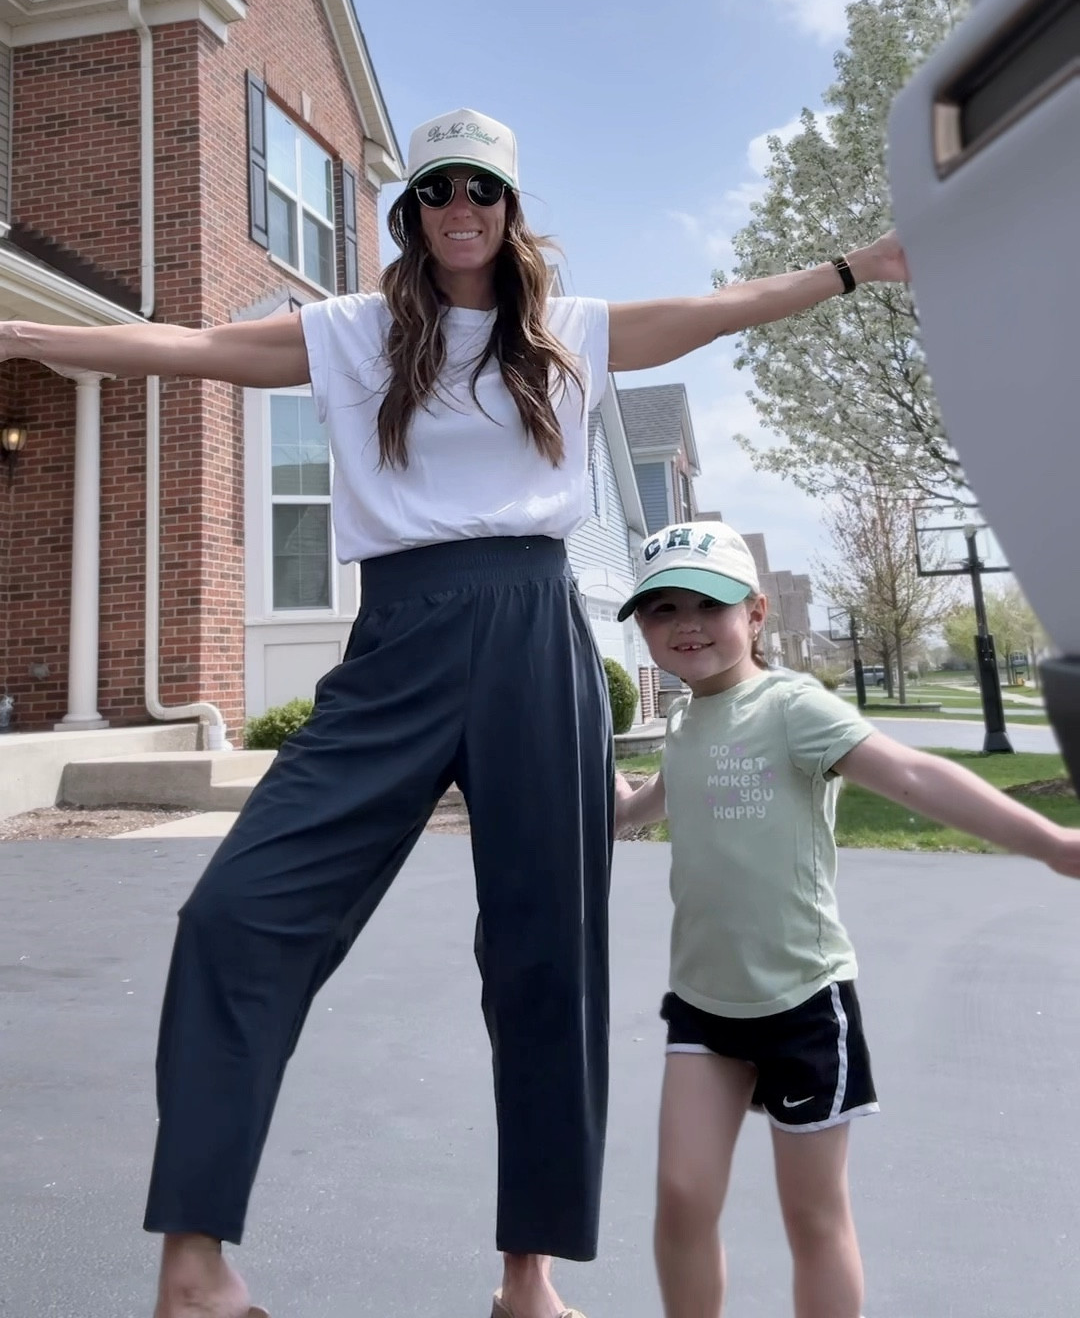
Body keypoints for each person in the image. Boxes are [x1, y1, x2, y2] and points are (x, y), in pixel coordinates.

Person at [1, 107, 906, 1318]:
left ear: (509, 206)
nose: (461, 207)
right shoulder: (352, 335)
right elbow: (194, 349)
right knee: (236, 914)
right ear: (410, 213)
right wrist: (18, 328)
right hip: (401, 640)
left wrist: (854, 268)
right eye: (438, 191)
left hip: (537, 638)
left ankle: (526, 1278)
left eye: (481, 187)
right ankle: (195, 1266)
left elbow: (717, 309)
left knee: (545, 962)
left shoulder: (567, 335)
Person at [614, 520, 1080, 1318]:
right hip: (704, 1002)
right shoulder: (686, 723)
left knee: (814, 1218)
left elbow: (910, 775)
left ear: (756, 614)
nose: (684, 623)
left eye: (708, 603)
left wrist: (1048, 841)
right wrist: (621, 812)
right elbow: (662, 802)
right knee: (683, 1201)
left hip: (802, 1004)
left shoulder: (791, 707)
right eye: (661, 610)